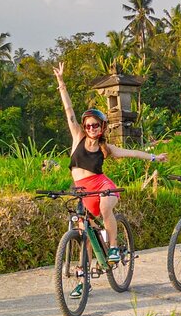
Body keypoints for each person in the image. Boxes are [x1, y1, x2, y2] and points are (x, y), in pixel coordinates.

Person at [54, 62, 167, 297]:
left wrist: (155, 156)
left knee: (106, 207)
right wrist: (62, 83)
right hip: (81, 191)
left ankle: (114, 248)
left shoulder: (107, 147)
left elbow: (132, 153)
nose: (92, 128)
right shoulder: (77, 137)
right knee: (83, 237)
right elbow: (69, 111)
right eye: (88, 125)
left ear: (102, 127)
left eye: (96, 125)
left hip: (102, 186)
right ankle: (82, 281)